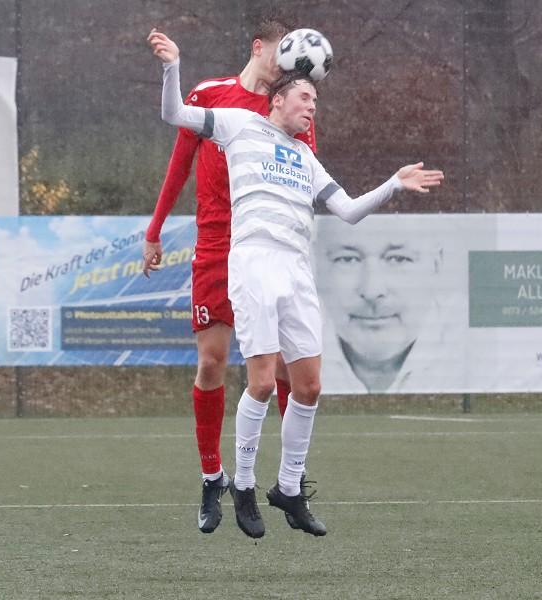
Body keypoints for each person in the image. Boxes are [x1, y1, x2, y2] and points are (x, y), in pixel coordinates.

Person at [148, 29, 444, 538]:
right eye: (305, 98)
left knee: (308, 386)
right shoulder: (238, 125)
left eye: (315, 101)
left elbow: (348, 210)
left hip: (296, 271)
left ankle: (288, 487)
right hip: (254, 264)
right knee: (261, 381)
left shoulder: (305, 156)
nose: (312, 107)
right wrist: (173, 65)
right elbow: (175, 114)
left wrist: (394, 184)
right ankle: (242, 485)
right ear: (278, 100)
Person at [141, 18, 315, 535]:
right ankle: (211, 476)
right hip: (217, 245)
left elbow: (306, 176)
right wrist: (154, 230)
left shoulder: (288, 109)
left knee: (284, 370)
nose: (288, 67)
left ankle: (287, 482)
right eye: (282, 54)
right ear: (259, 48)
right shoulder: (213, 96)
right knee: (212, 362)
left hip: (267, 250)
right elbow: (179, 164)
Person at [314, 216, 451, 393]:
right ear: (315, 264)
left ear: (436, 264)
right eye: (347, 259)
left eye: (398, 259)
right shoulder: (289, 347)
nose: (372, 290)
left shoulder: (478, 355)